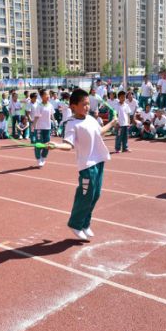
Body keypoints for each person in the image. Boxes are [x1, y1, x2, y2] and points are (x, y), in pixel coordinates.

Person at [46, 89, 117, 240]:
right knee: (85, 195)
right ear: (73, 106)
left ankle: (85, 224)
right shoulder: (71, 124)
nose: (87, 107)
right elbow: (68, 145)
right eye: (84, 104)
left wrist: (111, 123)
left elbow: (100, 131)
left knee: (95, 195)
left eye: (88, 104)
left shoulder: (90, 119)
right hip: (87, 166)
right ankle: (75, 223)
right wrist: (56, 145)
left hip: (99, 161)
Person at [33, 89, 54, 167]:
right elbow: (36, 117)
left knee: (47, 144)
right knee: (39, 144)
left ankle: (43, 157)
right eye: (46, 94)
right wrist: (33, 126)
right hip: (39, 128)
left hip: (47, 127)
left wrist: (55, 124)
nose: (48, 96)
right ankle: (38, 159)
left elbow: (52, 115)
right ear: (42, 96)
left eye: (49, 94)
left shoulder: (50, 105)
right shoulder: (39, 106)